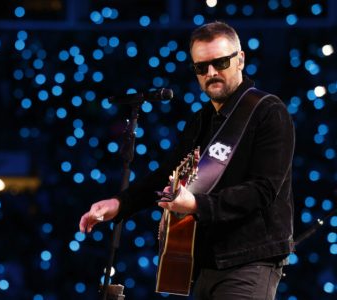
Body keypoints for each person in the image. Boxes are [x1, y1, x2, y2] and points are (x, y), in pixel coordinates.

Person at [79, 21, 295, 300]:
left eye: (220, 63)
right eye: (201, 67)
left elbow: (262, 191)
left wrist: (195, 204)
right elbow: (167, 176)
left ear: (240, 59)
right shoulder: (200, 120)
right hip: (201, 262)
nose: (212, 73)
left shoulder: (268, 112)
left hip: (249, 261)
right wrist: (119, 203)